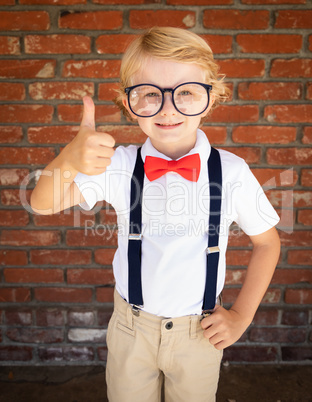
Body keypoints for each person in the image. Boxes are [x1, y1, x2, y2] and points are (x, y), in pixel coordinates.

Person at [31, 27, 280, 402]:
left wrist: (241, 316)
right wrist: (68, 157)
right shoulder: (119, 165)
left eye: (186, 93)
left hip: (199, 333)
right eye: (149, 94)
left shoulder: (231, 172)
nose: (168, 108)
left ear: (210, 98)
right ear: (127, 102)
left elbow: (267, 243)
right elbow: (42, 203)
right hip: (131, 330)